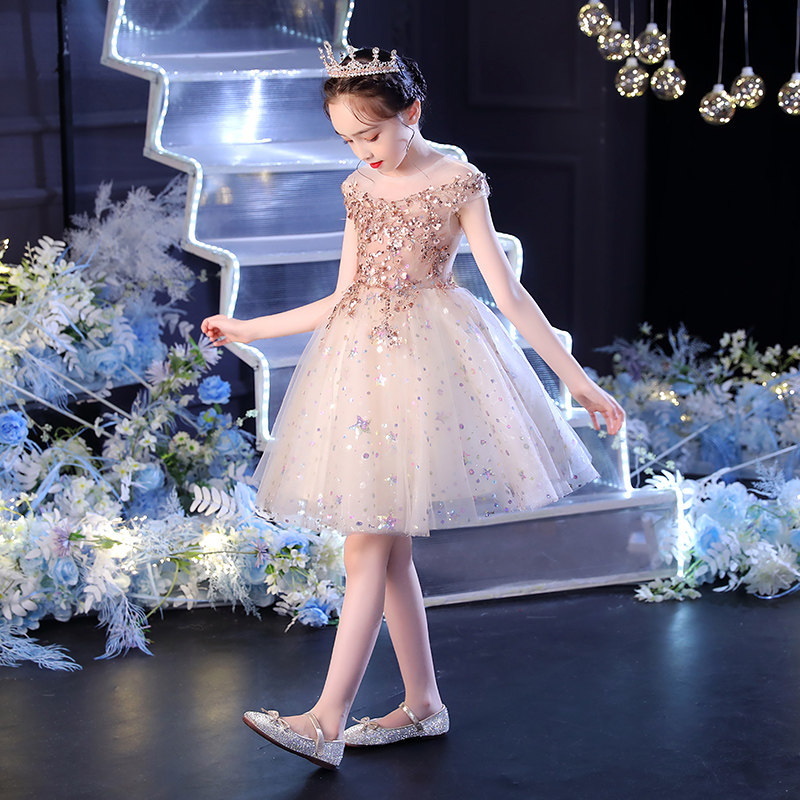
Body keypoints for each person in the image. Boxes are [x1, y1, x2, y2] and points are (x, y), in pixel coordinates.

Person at [200, 42, 625, 770]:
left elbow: (508, 294)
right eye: (347, 140)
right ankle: (422, 704)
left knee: (369, 545)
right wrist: (250, 327)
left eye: (370, 133)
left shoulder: (456, 180)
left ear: (412, 112)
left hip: (428, 372)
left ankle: (324, 720)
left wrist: (576, 379)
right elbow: (343, 295)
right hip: (361, 374)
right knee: (384, 549)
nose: (362, 151)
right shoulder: (359, 189)